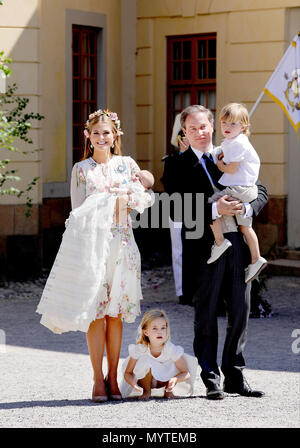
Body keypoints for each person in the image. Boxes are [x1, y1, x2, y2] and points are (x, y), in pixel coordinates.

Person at [36, 109, 154, 402]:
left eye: (107, 132)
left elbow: (143, 197)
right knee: (95, 313)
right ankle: (96, 379)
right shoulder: (81, 169)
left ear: (116, 136)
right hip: (92, 247)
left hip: (122, 245)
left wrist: (127, 200)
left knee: (115, 314)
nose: (102, 137)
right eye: (97, 132)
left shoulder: (127, 165)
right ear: (88, 136)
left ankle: (113, 379)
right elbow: (77, 214)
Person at [163, 104, 268, 400]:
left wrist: (248, 207)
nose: (199, 133)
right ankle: (211, 377)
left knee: (240, 309)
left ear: (213, 126)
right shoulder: (175, 164)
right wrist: (213, 208)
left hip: (237, 246)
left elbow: (259, 189)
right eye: (192, 128)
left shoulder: (230, 151)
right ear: (184, 131)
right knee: (206, 313)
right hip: (204, 247)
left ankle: (235, 373)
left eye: (203, 126)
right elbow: (173, 207)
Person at [207, 103, 267, 283]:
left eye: (233, 124)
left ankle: (219, 242)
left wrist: (219, 165)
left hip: (241, 188)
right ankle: (256, 259)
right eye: (224, 123)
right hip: (244, 189)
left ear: (243, 126)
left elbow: (231, 169)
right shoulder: (231, 142)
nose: (227, 127)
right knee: (245, 226)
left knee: (214, 203)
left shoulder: (238, 143)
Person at [120, 309, 198, 400]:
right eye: (154, 328)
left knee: (174, 362)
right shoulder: (140, 349)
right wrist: (132, 382)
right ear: (146, 332)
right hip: (144, 380)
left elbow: (186, 372)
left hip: (162, 381)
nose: (159, 332)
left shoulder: (170, 348)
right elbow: (127, 373)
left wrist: (176, 379)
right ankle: (146, 391)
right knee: (144, 361)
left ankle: (168, 391)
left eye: (163, 328)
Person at [161, 114, 189, 305]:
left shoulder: (203, 159)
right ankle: (182, 291)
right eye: (182, 136)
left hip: (200, 211)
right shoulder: (171, 161)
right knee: (179, 252)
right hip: (178, 211)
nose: (185, 140)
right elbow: (170, 187)